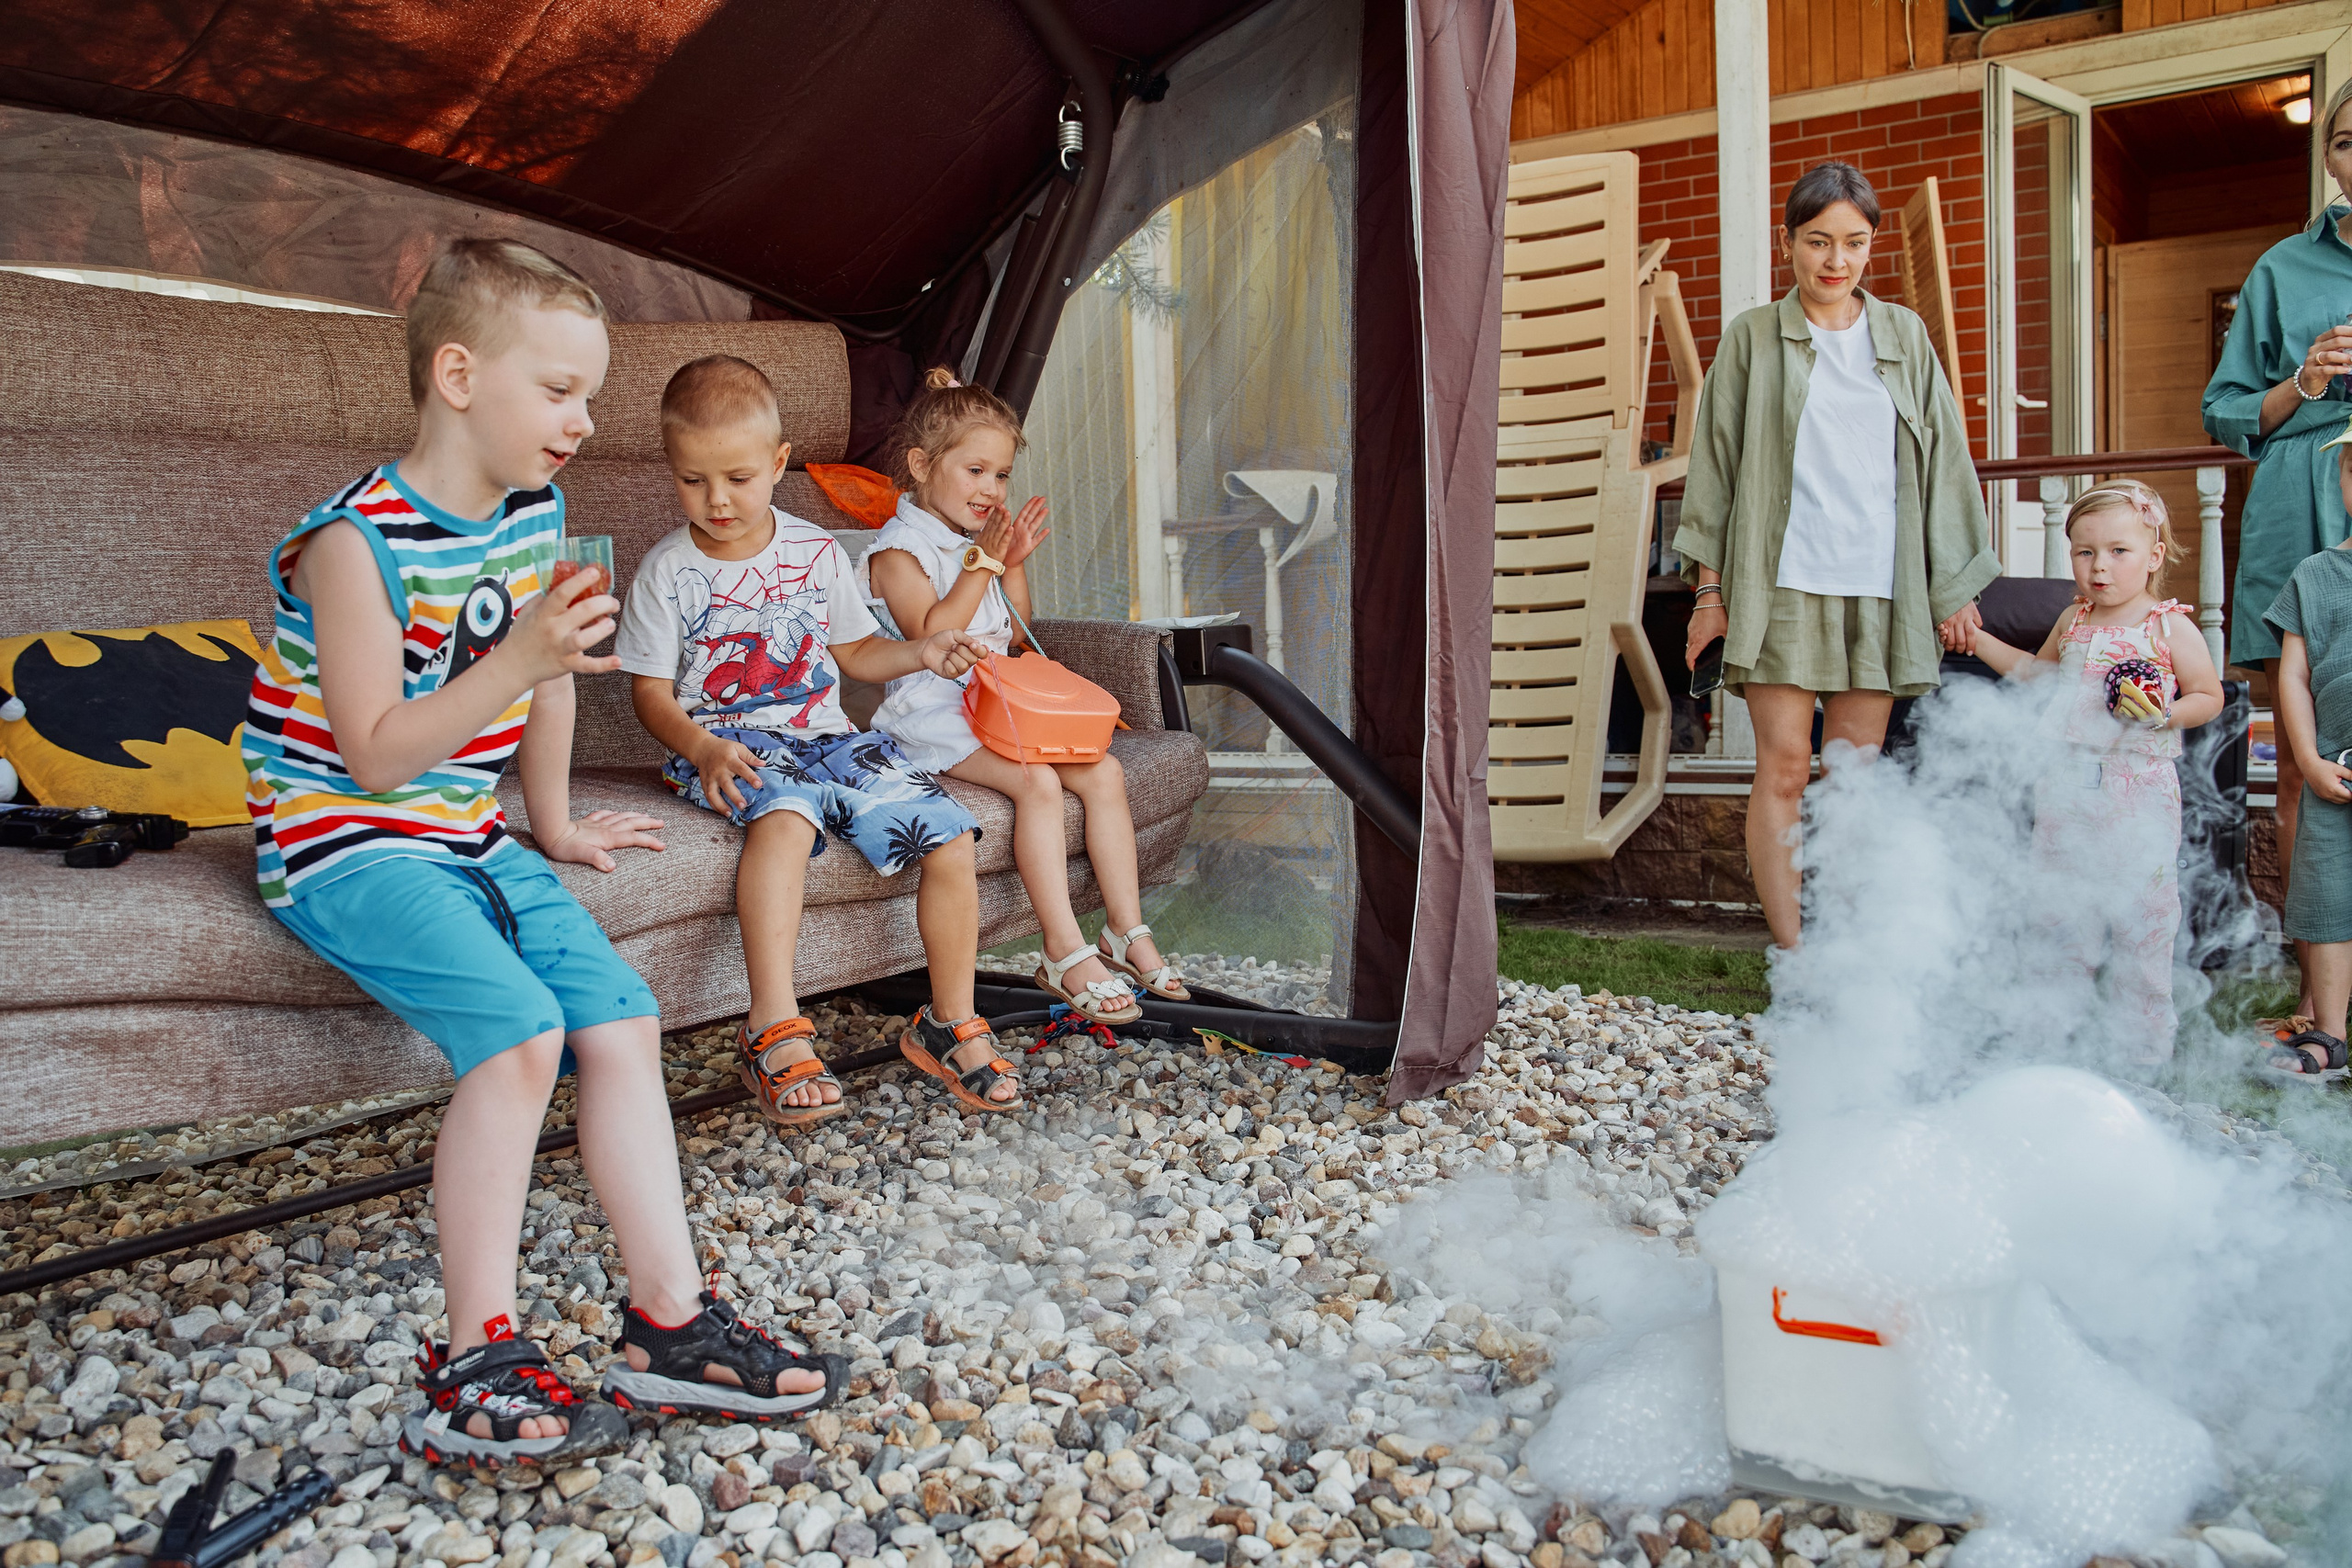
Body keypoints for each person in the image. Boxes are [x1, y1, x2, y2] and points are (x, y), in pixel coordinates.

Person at [243, 240, 841, 1467]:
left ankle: (669, 1323)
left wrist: (554, 821)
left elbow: (555, 684)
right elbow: (370, 754)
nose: (584, 420)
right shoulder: (353, 544)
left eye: (591, 394)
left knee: (619, 1019)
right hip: (345, 838)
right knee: (520, 1035)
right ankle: (475, 1354)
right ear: (459, 374)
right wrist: (516, 659)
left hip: (467, 828)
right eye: (561, 390)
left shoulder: (537, 514)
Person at [616, 355, 1024, 1116]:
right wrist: (700, 747)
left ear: (776, 463)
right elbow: (648, 692)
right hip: (728, 741)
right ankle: (772, 1024)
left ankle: (948, 1021)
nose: (717, 500)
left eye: (738, 478)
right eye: (693, 480)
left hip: (831, 737)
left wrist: (923, 651)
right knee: (785, 814)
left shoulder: (815, 552)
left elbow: (860, 654)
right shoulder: (667, 570)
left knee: (949, 833)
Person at [1675, 161, 2001, 951]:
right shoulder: (1753, 337)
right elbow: (1715, 469)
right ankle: (1796, 959)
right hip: (1780, 583)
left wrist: (1953, 583)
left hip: (1880, 588)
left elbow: (1948, 458)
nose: (1836, 260)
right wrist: (1709, 595)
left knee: (1852, 783)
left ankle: (1848, 953)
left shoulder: (1904, 335)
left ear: (1870, 246)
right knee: (1785, 770)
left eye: (1854, 242)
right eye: (1818, 240)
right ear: (1790, 243)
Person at [862, 367, 1188, 1023]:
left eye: (1002, 475)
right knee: (1037, 783)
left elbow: (1014, 631)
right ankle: (1062, 949)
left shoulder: (969, 542)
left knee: (1104, 771)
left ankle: (1124, 929)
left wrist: (1010, 564)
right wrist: (983, 562)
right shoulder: (896, 553)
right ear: (922, 465)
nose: (991, 489)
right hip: (933, 716)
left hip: (999, 702)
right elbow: (932, 631)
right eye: (976, 471)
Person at [1969, 482, 2222, 1060]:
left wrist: (2166, 715)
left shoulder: (2168, 626)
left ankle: (2143, 1043)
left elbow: (2209, 694)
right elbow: (2038, 677)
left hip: (2140, 790)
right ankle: (2052, 1030)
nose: (2098, 567)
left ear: (2154, 555)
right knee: (2060, 911)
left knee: (2143, 915)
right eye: (2084, 553)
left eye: (2117, 551)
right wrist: (1977, 640)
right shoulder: (2073, 620)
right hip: (2065, 786)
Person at [2201, 75, 2352, 1036]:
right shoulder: (2282, 269)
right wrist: (2299, 381)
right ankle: (2318, 997)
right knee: (2300, 763)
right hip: (2299, 504)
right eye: (2347, 141)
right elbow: (2224, 412)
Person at [2255, 434, 2352, 1079]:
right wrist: (2311, 761)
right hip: (2334, 771)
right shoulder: (2315, 575)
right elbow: (2292, 677)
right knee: (2329, 902)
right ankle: (2330, 1034)